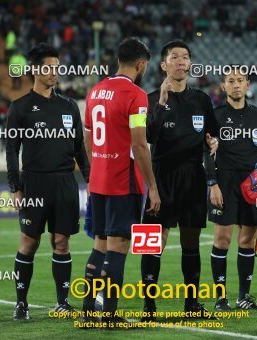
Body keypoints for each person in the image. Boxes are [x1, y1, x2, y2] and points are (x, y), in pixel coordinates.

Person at [80, 37, 161, 328]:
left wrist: (98, 163)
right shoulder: (136, 95)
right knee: (119, 246)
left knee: (100, 242)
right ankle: (110, 314)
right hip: (123, 180)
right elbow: (139, 146)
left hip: (99, 180)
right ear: (141, 65)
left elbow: (88, 137)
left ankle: (88, 309)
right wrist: (152, 186)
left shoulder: (95, 91)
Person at [6, 43, 90, 320]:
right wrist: (15, 187)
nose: (54, 73)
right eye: (48, 68)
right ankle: (21, 303)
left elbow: (79, 148)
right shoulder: (20, 108)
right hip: (34, 183)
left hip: (65, 182)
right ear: (34, 70)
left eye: (57, 68)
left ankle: (62, 302)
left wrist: (90, 181)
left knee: (62, 242)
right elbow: (11, 150)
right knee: (29, 243)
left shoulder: (69, 106)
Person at [140, 39, 218, 320]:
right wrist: (161, 103)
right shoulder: (149, 99)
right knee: (152, 242)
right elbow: (149, 137)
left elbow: (212, 136)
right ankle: (149, 307)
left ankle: (191, 304)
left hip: (192, 175)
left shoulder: (202, 99)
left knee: (191, 241)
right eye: (174, 57)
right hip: (160, 175)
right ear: (163, 65)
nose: (181, 61)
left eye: (185, 57)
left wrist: (214, 142)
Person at [206, 69, 257, 311]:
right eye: (230, 81)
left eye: (240, 81)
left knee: (248, 240)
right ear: (224, 87)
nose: (236, 85)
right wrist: (212, 183)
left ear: (247, 85)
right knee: (222, 240)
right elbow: (207, 153)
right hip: (225, 182)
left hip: (253, 184)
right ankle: (221, 298)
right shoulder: (215, 115)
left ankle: (244, 297)